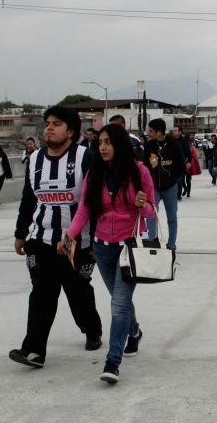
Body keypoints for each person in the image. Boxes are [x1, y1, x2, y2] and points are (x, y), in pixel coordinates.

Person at [60, 123, 155, 384]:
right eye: (100, 142)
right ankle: (134, 331)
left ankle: (112, 362)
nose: (102, 147)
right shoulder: (95, 173)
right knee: (118, 299)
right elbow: (84, 210)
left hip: (129, 247)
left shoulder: (139, 171)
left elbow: (151, 210)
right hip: (101, 247)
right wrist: (71, 234)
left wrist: (142, 204)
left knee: (119, 304)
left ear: (120, 144)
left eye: (108, 142)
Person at [9, 106, 103, 369]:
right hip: (40, 239)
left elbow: (95, 202)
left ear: (71, 131)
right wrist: (20, 233)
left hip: (77, 241)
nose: (49, 128)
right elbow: (29, 199)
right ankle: (33, 351)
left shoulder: (86, 157)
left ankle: (92, 329)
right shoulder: (35, 159)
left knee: (78, 292)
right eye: (47, 123)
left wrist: (95, 239)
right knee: (41, 294)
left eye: (57, 124)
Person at [143, 118, 184, 250]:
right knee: (151, 215)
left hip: (170, 188)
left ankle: (171, 245)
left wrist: (173, 180)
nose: (148, 133)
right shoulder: (149, 146)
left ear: (159, 132)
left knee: (172, 218)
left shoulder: (174, 145)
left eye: (151, 131)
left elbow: (181, 165)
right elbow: (145, 165)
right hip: (154, 188)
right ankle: (151, 242)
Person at [172, 126, 192, 201]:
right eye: (173, 130)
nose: (174, 131)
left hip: (181, 164)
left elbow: (188, 153)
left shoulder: (184, 141)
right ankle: (173, 194)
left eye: (175, 130)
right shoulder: (170, 140)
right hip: (171, 164)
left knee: (180, 180)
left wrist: (189, 162)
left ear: (180, 132)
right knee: (173, 181)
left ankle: (178, 195)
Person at [183, 133, 202, 198]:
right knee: (181, 180)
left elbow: (194, 155)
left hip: (189, 163)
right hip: (183, 163)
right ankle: (186, 189)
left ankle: (188, 192)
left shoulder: (191, 146)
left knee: (187, 179)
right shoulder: (187, 145)